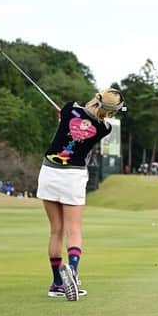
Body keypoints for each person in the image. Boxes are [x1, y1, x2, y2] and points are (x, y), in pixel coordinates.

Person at [37, 89, 124, 301]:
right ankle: (73, 273)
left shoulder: (69, 108)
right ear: (111, 112)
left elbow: (69, 117)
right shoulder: (104, 128)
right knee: (73, 229)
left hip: (49, 172)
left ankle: (58, 283)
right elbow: (92, 121)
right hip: (73, 176)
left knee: (55, 231)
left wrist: (68, 116)